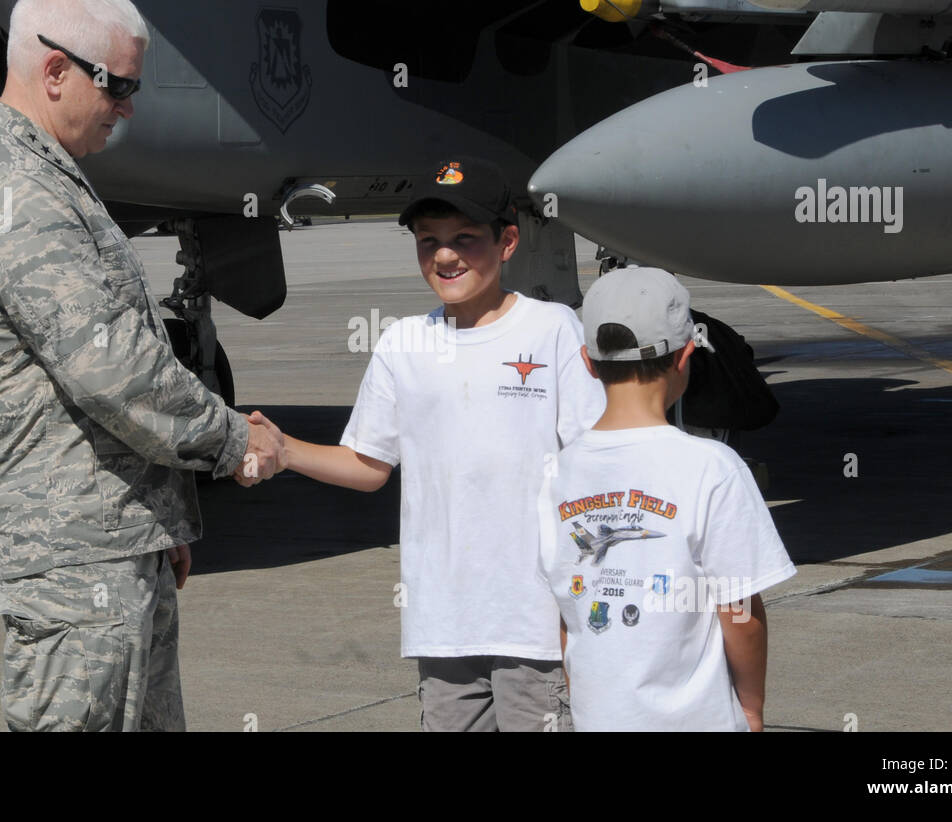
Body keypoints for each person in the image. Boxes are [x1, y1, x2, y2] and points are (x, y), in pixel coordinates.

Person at [0, 0, 284, 731]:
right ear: (54, 70)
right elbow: (114, 369)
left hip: (111, 548)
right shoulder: (19, 192)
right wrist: (229, 442)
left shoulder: (41, 172)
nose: (127, 109)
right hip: (76, 571)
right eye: (118, 86)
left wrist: (158, 520)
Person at [263, 156, 605, 731]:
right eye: (429, 241)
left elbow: (593, 464)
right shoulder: (403, 343)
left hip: (538, 621)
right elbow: (368, 464)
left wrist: (586, 598)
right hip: (443, 624)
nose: (445, 255)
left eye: (465, 239)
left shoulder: (552, 330)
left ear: (509, 241)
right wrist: (286, 449)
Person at [537, 267, 795, 731]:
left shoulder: (556, 472)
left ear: (588, 363)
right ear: (685, 357)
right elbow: (739, 611)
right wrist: (752, 707)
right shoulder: (712, 467)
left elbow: (566, 609)